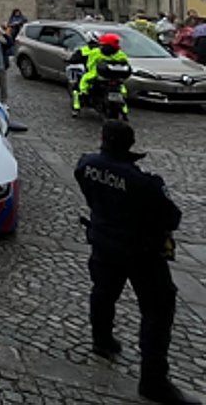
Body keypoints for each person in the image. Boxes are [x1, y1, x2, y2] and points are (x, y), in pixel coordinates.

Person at [74, 122, 199, 404]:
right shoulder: (144, 182)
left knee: (104, 291)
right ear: (130, 144)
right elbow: (172, 218)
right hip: (141, 252)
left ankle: (102, 340)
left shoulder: (86, 165)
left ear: (103, 139)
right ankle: (153, 381)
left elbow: (90, 193)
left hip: (103, 241)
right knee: (158, 311)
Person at [70, 33, 130, 117]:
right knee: (121, 88)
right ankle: (124, 110)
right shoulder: (120, 53)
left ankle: (78, 104)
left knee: (82, 83)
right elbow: (125, 63)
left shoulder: (96, 52)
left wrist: (85, 89)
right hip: (116, 76)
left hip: (97, 75)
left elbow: (90, 64)